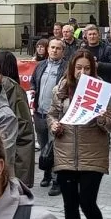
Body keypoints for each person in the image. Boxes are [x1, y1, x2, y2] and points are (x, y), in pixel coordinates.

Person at [48, 50, 111, 219]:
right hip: (65, 154)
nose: (82, 72)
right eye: (79, 67)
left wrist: (102, 119)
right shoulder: (61, 89)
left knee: (87, 202)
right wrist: (53, 125)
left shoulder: (101, 90)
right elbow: (51, 113)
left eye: (87, 68)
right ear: (72, 68)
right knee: (70, 205)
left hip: (92, 154)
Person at [31, 39, 68, 194]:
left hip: (56, 115)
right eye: (52, 47)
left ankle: (56, 180)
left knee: (55, 148)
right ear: (48, 49)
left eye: (58, 48)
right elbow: (33, 81)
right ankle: (46, 174)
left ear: (63, 51)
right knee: (44, 146)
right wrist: (33, 90)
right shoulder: (40, 66)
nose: (54, 50)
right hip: (40, 113)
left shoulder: (66, 68)